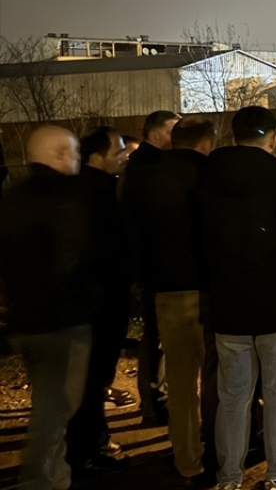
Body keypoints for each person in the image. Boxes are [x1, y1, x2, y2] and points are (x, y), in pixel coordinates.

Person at [199, 107, 276, 490]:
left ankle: (228, 478)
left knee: (233, 397)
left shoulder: (205, 179)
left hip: (226, 304)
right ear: (272, 138)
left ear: (232, 136)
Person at [0, 126, 96, 490]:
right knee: (55, 411)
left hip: (23, 321)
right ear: (57, 155)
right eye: (72, 152)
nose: (76, 159)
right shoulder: (69, 199)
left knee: (48, 404)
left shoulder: (11, 199)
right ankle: (39, 481)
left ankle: (57, 478)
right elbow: (75, 263)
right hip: (62, 322)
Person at [127, 116, 219, 483]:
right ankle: (221, 450)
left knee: (179, 383)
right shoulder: (209, 175)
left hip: (164, 290)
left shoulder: (143, 178)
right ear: (205, 143)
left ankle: (187, 459)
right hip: (207, 290)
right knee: (219, 378)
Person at [65, 127, 133, 478]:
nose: (123, 155)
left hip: (88, 303)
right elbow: (111, 251)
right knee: (93, 380)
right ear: (96, 157)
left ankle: (87, 443)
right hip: (102, 304)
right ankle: (88, 450)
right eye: (118, 151)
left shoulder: (80, 189)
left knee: (87, 380)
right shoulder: (102, 194)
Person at [121, 109, 180, 427]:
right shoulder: (150, 168)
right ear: (156, 135)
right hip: (156, 266)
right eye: (174, 130)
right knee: (158, 337)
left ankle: (154, 401)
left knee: (156, 336)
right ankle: (156, 402)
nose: (178, 136)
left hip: (149, 264)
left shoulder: (140, 166)